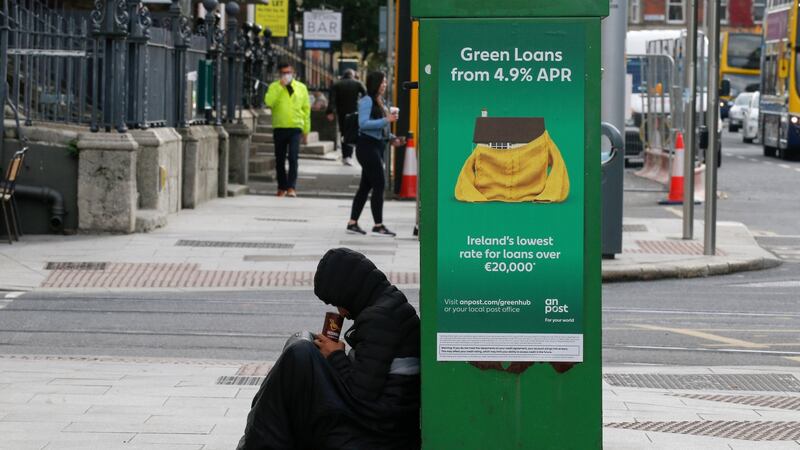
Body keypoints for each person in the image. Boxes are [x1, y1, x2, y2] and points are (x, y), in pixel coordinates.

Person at [237, 248, 421, 450]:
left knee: (299, 355)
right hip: (381, 418)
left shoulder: (380, 318)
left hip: (378, 430)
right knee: (301, 350)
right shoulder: (388, 304)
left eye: (339, 303)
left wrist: (336, 355)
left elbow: (360, 393)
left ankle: (255, 443)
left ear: (349, 291)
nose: (342, 312)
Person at [346, 72, 405, 237]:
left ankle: (352, 222)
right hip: (366, 147)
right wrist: (386, 120)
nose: (385, 85)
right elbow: (363, 124)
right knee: (379, 183)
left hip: (377, 146)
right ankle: (378, 225)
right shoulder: (367, 100)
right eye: (382, 82)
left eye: (386, 82)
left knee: (365, 187)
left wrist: (393, 139)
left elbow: (381, 127)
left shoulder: (382, 101)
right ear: (375, 83)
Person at [265, 63, 311, 198]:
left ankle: (291, 187)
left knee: (293, 157)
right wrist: (281, 87)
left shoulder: (301, 88)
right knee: (279, 159)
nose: (286, 75)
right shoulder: (274, 87)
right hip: (279, 126)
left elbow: (306, 109)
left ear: (293, 73)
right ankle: (281, 187)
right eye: (284, 73)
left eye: (289, 72)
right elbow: (269, 102)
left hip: (295, 127)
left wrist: (306, 130)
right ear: (280, 74)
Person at [326, 69, 367, 166]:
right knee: (352, 132)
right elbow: (366, 95)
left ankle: (345, 156)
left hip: (342, 113)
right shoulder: (358, 83)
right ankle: (349, 156)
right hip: (354, 112)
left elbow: (332, 100)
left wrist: (330, 111)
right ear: (352, 75)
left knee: (343, 133)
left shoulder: (337, 84)